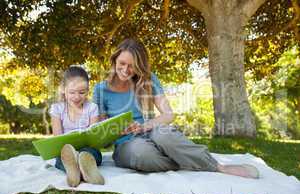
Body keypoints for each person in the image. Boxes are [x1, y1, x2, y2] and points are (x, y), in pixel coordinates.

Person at [93, 38, 259, 178]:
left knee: (166, 136)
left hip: (150, 131)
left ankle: (217, 167)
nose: (126, 70)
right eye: (122, 63)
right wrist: (119, 129)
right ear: (114, 60)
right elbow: (101, 132)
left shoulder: (148, 79)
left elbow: (168, 115)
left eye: (132, 66)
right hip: (126, 145)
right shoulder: (101, 90)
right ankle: (186, 161)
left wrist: (143, 126)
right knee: (142, 153)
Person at [49, 66, 105, 187]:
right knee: (60, 160)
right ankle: (80, 171)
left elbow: (93, 136)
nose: (77, 97)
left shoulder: (92, 108)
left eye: (82, 92)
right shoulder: (57, 109)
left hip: (87, 149)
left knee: (93, 155)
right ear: (64, 90)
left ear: (87, 91)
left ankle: (79, 168)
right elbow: (57, 138)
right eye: (72, 92)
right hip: (66, 151)